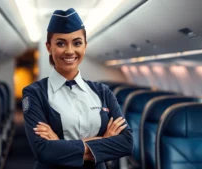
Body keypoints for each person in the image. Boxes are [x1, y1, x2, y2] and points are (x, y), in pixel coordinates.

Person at [22, 8, 133, 169]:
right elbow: (44, 151)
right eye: (60, 43)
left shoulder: (103, 92)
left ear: (85, 46)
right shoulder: (34, 94)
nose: (69, 51)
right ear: (48, 47)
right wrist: (102, 142)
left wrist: (59, 144)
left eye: (77, 43)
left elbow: (126, 143)